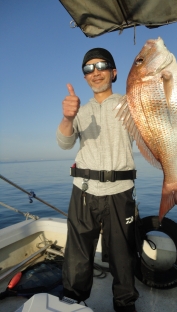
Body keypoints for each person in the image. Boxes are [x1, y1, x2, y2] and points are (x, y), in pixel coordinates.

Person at [56, 48, 139, 312]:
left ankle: (125, 305)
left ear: (114, 72)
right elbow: (64, 142)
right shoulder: (79, 108)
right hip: (83, 191)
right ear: (85, 77)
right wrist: (68, 118)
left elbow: (150, 130)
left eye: (102, 65)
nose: (95, 72)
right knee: (77, 259)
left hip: (120, 191)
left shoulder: (130, 103)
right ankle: (72, 304)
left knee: (123, 258)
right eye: (88, 68)